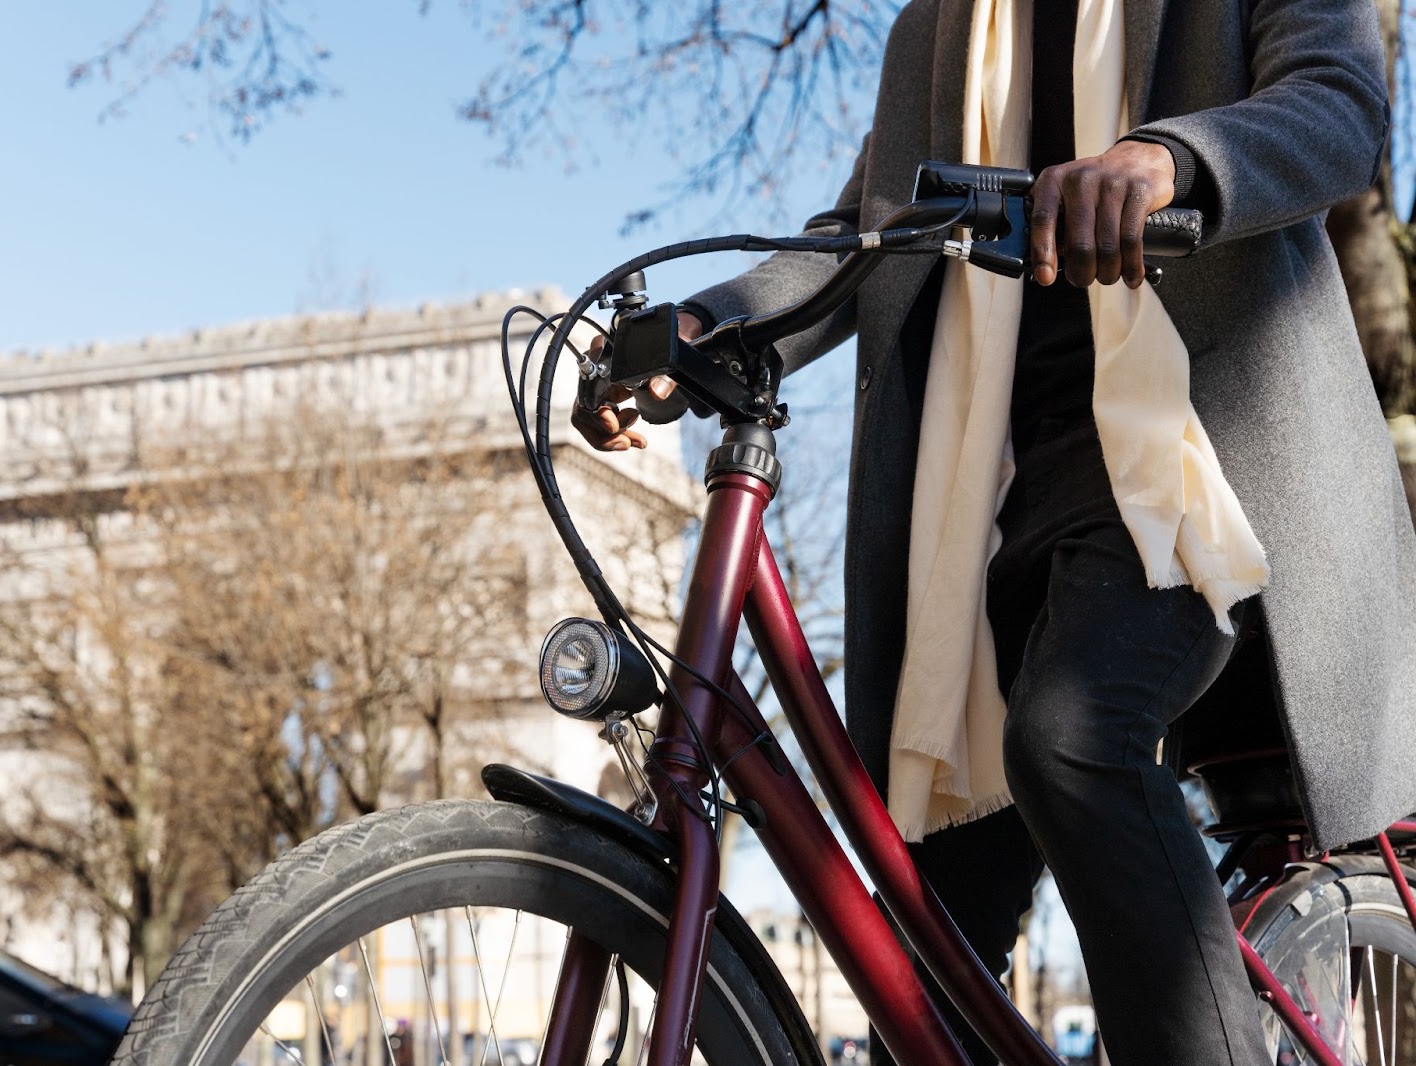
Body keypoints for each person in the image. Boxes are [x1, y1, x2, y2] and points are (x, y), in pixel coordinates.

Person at [573, 1, 1416, 1063]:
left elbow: (1337, 104)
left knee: (1069, 733)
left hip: (1194, 461)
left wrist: (1165, 162)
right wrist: (705, 323)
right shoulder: (936, 30)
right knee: (927, 945)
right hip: (999, 495)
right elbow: (862, 239)